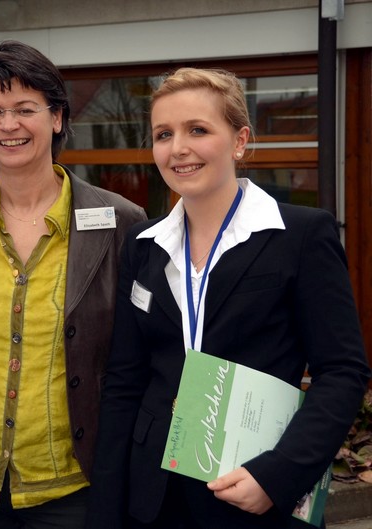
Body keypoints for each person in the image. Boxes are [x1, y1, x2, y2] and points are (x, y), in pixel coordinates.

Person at [85, 67, 371, 529]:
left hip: (252, 490)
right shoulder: (143, 245)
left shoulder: (299, 235)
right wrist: (105, 513)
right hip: (152, 498)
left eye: (198, 129)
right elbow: (124, 384)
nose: (178, 148)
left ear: (239, 141)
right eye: (164, 134)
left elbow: (342, 372)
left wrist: (278, 475)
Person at [0, 40, 147, 529]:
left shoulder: (121, 221)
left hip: (74, 486)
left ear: (57, 117)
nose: (8, 125)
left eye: (24, 108)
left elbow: (135, 359)